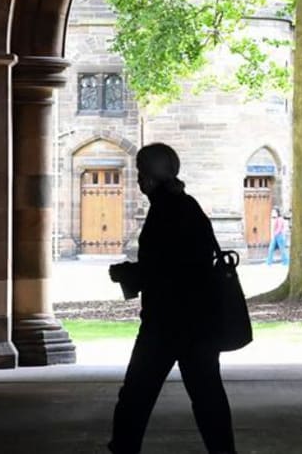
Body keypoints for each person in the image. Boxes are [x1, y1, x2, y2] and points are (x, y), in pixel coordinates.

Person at [107, 143, 237, 454]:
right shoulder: (185, 205)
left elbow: (168, 267)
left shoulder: (166, 210)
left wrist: (127, 273)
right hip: (197, 322)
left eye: (141, 172)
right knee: (207, 395)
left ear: (152, 176)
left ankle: (124, 448)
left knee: (137, 394)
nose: (138, 180)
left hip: (167, 322)